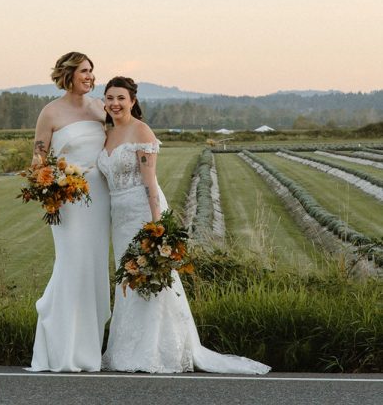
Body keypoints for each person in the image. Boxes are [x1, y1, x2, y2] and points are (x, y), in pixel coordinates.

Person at [98, 76, 270, 374]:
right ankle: (125, 349)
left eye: (120, 98)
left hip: (143, 211)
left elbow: (150, 183)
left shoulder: (141, 131)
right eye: (109, 97)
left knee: (152, 276)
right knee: (127, 279)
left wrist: (157, 228)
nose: (114, 103)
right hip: (119, 216)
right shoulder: (108, 133)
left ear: (133, 101)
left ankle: (155, 350)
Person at [27, 52, 111, 372]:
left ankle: (88, 352)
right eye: (84, 71)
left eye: (92, 70)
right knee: (71, 265)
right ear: (69, 74)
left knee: (93, 269)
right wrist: (48, 188)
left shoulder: (100, 108)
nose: (90, 76)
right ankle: (60, 347)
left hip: (99, 198)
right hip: (67, 201)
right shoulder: (50, 113)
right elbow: (38, 158)